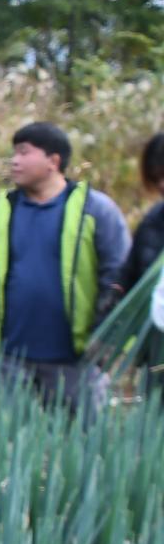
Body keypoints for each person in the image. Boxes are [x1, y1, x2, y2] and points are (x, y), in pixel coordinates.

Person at [0, 122, 131, 416]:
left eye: (24, 152)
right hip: (9, 356)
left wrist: (108, 336)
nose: (14, 160)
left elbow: (118, 276)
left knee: (80, 445)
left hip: (75, 358)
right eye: (14, 153)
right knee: (7, 445)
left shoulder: (96, 209)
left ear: (53, 161)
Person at [118, 131, 164, 397]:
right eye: (156, 178)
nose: (162, 186)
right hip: (157, 351)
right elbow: (131, 277)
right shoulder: (154, 221)